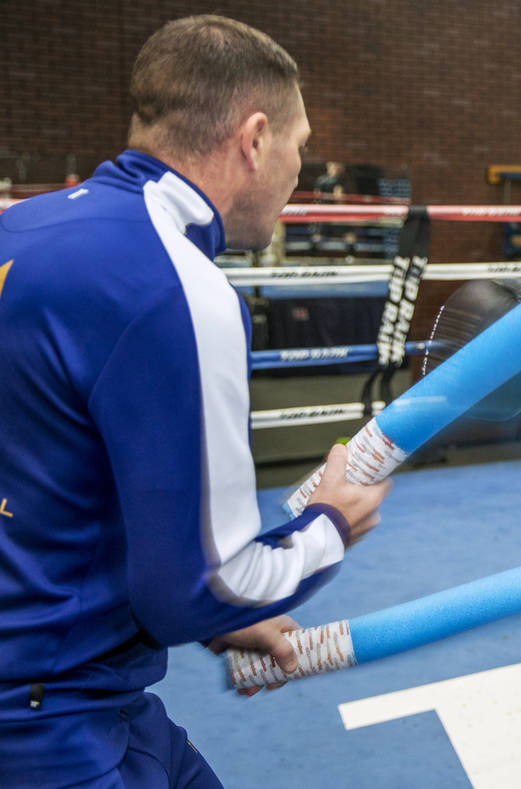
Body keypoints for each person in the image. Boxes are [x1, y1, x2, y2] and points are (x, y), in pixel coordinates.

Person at [0, 15, 391, 788]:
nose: (299, 171)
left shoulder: (22, 225)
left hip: (85, 689)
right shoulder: (178, 285)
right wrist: (332, 524)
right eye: (299, 145)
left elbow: (55, 473)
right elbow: (203, 586)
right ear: (253, 139)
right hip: (48, 720)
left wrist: (220, 622)